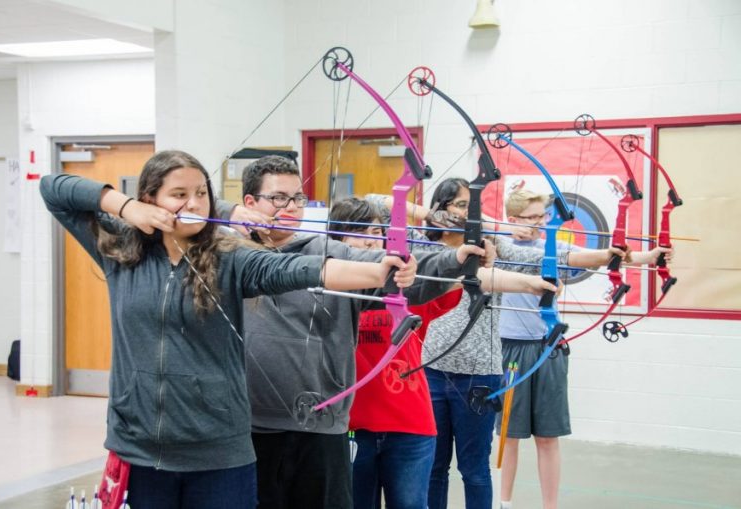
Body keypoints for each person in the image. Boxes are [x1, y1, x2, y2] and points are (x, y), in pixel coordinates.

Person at [39, 150, 418, 509]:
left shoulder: (230, 256)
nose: (193, 203)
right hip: (141, 450)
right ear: (150, 199)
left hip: (219, 452)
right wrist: (125, 207)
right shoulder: (121, 251)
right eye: (179, 194)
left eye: (201, 193)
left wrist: (379, 271)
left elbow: (295, 269)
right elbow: (53, 189)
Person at [220, 156, 491, 509]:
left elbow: (397, 272)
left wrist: (456, 259)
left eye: (298, 198)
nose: (291, 207)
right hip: (248, 427)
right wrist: (227, 213)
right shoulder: (224, 256)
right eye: (278, 198)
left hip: (321, 426)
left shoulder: (331, 253)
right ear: (250, 203)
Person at [368, 177, 632, 509]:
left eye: (472, 206)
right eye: (460, 205)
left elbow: (554, 257)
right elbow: (374, 202)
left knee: (475, 470)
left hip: (480, 374)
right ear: (442, 206)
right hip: (431, 370)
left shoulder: (490, 245)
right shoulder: (422, 244)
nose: (467, 212)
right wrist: (430, 215)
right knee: (434, 468)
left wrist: (608, 255)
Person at [328, 197, 558, 509]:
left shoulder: (406, 284)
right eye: (357, 233)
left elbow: (466, 279)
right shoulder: (325, 292)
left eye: (375, 232)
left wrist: (532, 284)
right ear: (335, 241)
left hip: (409, 424)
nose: (369, 241)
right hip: (351, 425)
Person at [496, 189, 673, 509]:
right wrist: (501, 229)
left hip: (548, 348)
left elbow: (602, 256)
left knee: (547, 437)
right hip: (510, 350)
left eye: (543, 217)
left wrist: (651, 257)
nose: (541, 223)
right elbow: (470, 232)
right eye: (532, 218)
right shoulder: (497, 246)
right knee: (509, 436)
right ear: (513, 219)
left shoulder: (551, 246)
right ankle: (504, 504)